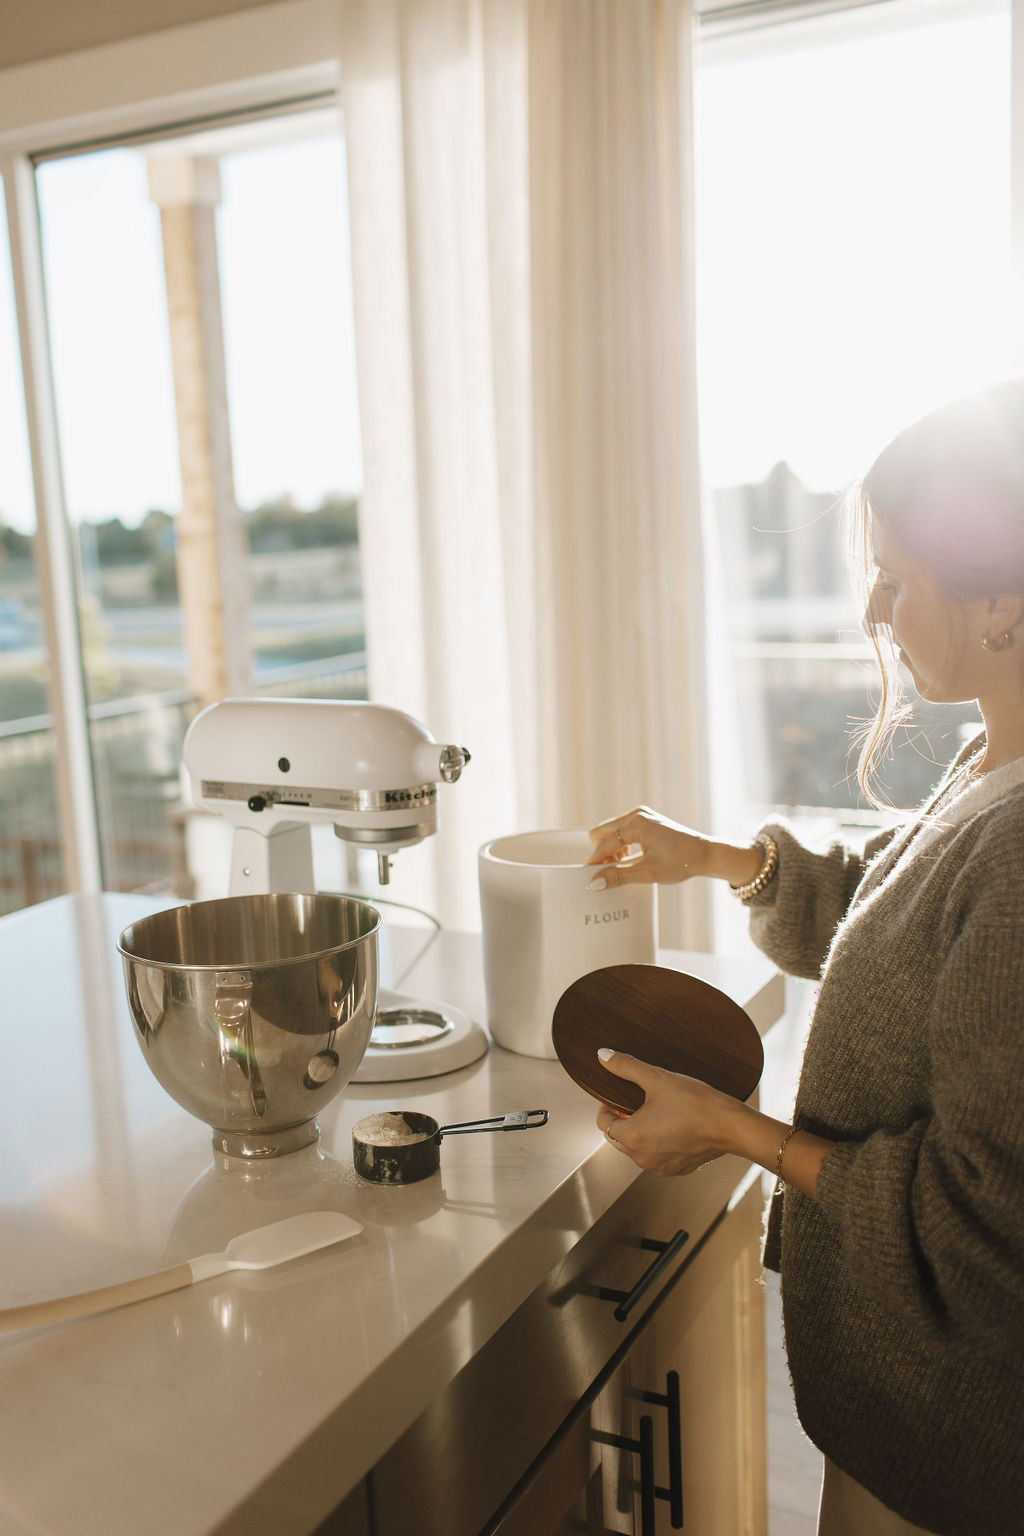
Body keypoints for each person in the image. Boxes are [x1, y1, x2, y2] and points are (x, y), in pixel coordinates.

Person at [584, 378, 1024, 1536]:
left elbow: (988, 1234)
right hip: (903, 1419)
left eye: (894, 575)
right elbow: (893, 924)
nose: (874, 610)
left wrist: (732, 1133)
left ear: (999, 605)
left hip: (963, 1455)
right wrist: (714, 859)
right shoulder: (992, 762)